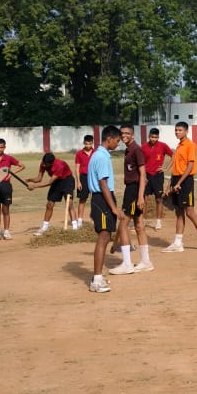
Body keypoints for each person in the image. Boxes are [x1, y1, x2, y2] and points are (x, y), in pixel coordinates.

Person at [110, 124, 153, 273]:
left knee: (123, 224)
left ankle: (127, 264)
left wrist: (140, 196)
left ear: (133, 135)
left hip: (134, 190)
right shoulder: (128, 150)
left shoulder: (136, 150)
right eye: (122, 133)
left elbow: (143, 175)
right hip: (132, 189)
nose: (124, 135)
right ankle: (146, 261)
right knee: (139, 225)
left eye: (127, 133)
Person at [164, 122, 197, 253]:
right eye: (176, 130)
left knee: (189, 212)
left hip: (185, 181)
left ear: (186, 131)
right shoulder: (179, 146)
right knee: (178, 212)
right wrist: (170, 185)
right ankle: (178, 243)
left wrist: (179, 182)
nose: (177, 132)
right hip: (176, 179)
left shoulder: (191, 145)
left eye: (180, 130)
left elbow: (190, 166)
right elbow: (175, 168)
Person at [87, 125, 122, 293]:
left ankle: (98, 276)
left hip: (100, 199)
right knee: (104, 237)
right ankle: (97, 279)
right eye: (117, 140)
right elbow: (103, 184)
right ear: (109, 139)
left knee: (106, 236)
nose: (118, 143)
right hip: (102, 199)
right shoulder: (101, 157)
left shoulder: (99, 155)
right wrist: (114, 208)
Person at [26, 152, 78, 232]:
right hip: (56, 182)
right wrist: (30, 180)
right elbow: (39, 178)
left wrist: (34, 186)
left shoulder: (59, 165)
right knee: (49, 204)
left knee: (69, 203)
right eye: (43, 163)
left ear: (51, 163)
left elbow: (50, 182)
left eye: (46, 164)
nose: (44, 165)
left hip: (67, 180)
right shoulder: (43, 164)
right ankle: (44, 227)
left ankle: (75, 227)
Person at [142, 127, 173, 230]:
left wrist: (166, 168)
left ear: (158, 137)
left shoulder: (163, 146)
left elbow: (174, 155)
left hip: (158, 175)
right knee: (144, 199)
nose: (153, 139)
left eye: (155, 137)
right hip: (146, 176)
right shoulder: (143, 147)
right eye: (152, 137)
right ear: (149, 136)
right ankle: (143, 220)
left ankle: (158, 222)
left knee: (158, 199)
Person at [74, 134, 95, 226]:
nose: (88, 146)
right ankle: (80, 221)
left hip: (94, 177)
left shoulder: (96, 152)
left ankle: (94, 219)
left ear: (92, 143)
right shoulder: (79, 153)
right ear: (83, 143)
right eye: (86, 144)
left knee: (95, 199)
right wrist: (78, 181)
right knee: (82, 199)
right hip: (83, 177)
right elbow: (77, 168)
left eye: (90, 144)